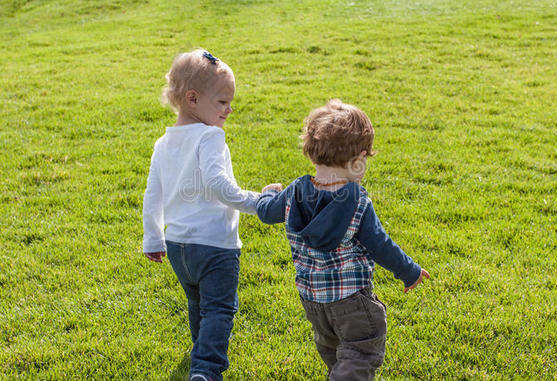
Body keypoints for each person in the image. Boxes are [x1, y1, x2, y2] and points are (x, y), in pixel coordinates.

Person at [256, 99, 430, 381]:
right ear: (359, 158)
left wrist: (267, 193)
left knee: (334, 353)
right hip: (352, 301)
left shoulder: (294, 193)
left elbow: (265, 212)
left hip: (313, 301)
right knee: (361, 353)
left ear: (312, 155)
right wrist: (409, 271)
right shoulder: (356, 201)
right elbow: (380, 244)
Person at [142, 49, 264, 381]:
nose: (229, 109)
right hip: (215, 245)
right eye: (222, 102)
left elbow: (153, 195)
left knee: (197, 304)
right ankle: (206, 370)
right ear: (193, 99)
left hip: (178, 245)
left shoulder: (163, 143)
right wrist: (257, 202)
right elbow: (218, 184)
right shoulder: (210, 136)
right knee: (220, 309)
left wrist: (153, 237)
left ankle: (200, 349)